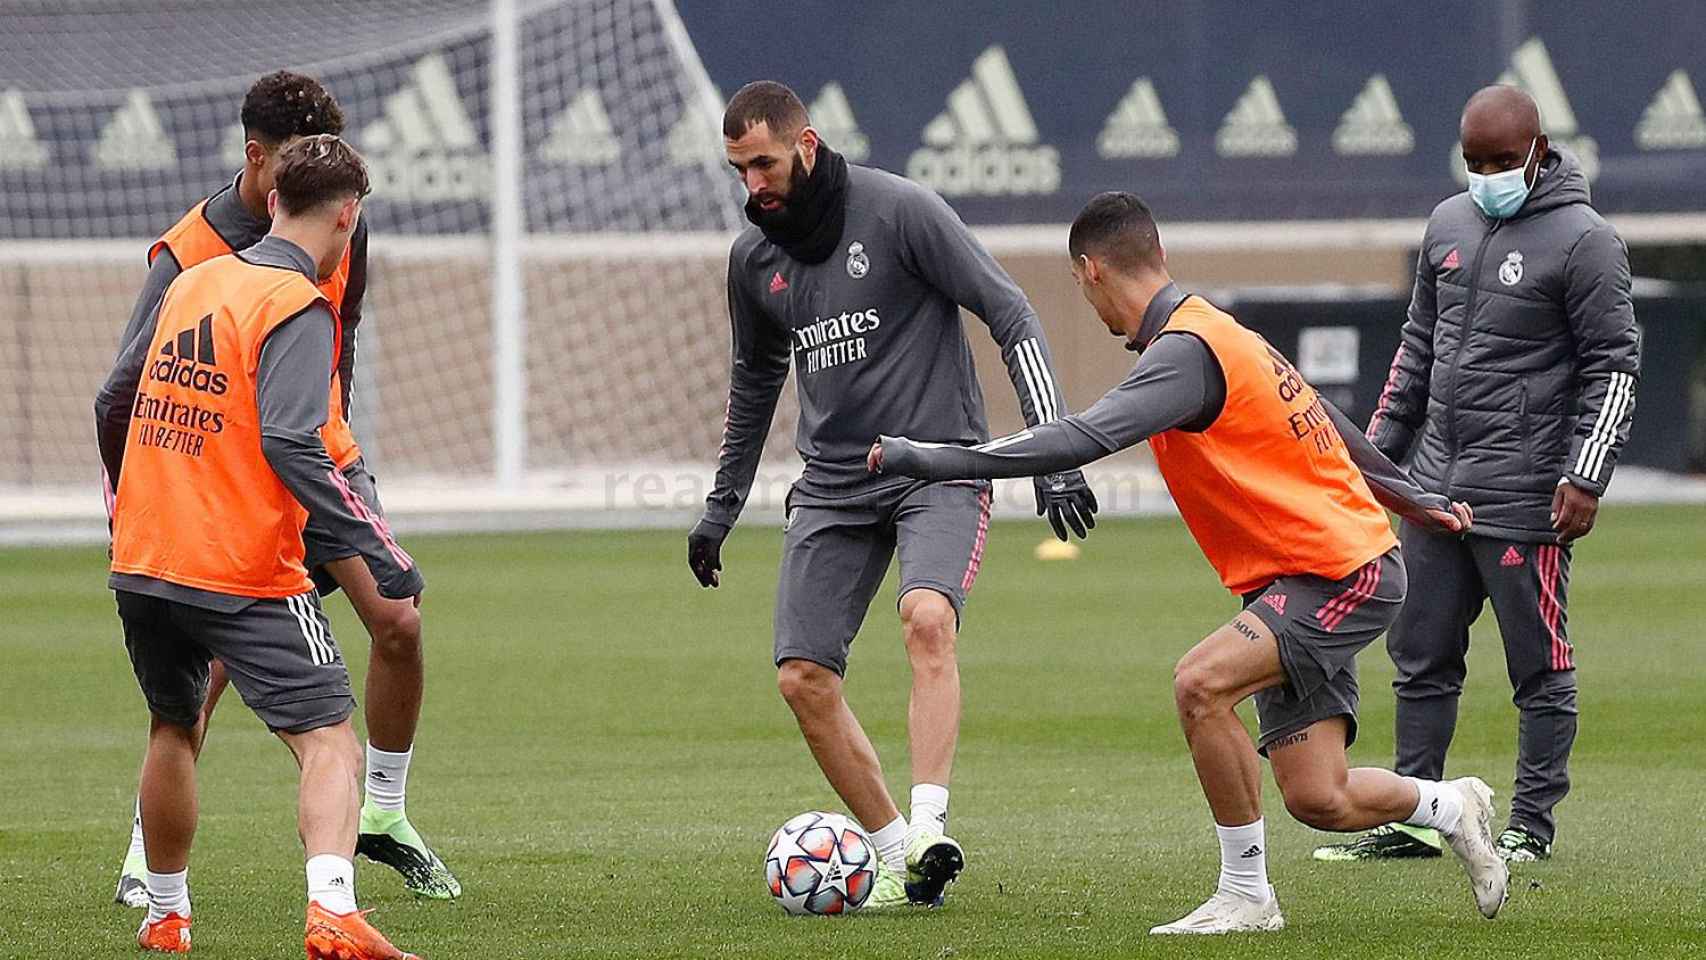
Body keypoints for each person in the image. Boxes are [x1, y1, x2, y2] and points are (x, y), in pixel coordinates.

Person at [869, 192, 1508, 933]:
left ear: (1092, 270)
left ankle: (1246, 895)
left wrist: (931, 457)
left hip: (1342, 573)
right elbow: (1330, 422)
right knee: (1318, 797)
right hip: (1298, 576)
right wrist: (1412, 496)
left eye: (1084, 289)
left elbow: (1080, 437)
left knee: (1200, 685)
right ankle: (1452, 805)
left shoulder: (1186, 352)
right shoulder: (1219, 330)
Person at [686, 81, 1098, 909]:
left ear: (807, 145)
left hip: (938, 468)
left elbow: (1011, 313)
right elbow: (755, 381)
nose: (753, 185)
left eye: (764, 163)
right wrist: (722, 504)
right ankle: (896, 854)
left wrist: (1055, 455)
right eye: (739, 170)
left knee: (926, 618)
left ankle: (932, 821)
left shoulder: (902, 210)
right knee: (801, 677)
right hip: (834, 487)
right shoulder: (753, 259)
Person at [98, 70, 459, 905]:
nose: (310, 181)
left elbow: (340, 342)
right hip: (230, 476)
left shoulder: (335, 219)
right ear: (259, 162)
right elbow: (120, 392)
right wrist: (140, 502)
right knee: (207, 665)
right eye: (294, 164)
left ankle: (386, 815)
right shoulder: (190, 253)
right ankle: (150, 859)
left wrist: (345, 460)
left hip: (317, 458)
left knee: (398, 621)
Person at [1316, 85, 1639, 865]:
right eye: (1472, 161)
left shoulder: (1585, 239)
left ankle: (1531, 826)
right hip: (1433, 490)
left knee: (1540, 667)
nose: (1487, 174)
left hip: (1526, 495)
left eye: (1501, 160)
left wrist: (1585, 475)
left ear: (1539, 149)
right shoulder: (1447, 223)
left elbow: (1614, 369)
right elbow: (1416, 351)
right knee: (1419, 658)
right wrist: (1379, 460)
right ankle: (1419, 815)